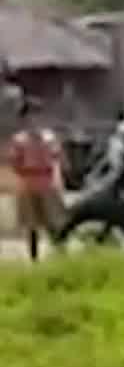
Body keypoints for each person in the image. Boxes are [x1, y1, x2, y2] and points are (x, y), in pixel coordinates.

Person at [6, 96, 64, 262]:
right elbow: (14, 162)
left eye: (37, 115)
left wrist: (57, 178)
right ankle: (34, 257)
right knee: (31, 225)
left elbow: (57, 158)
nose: (34, 120)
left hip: (47, 182)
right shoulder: (20, 140)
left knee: (53, 222)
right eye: (30, 116)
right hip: (28, 183)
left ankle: (58, 252)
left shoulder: (49, 137)